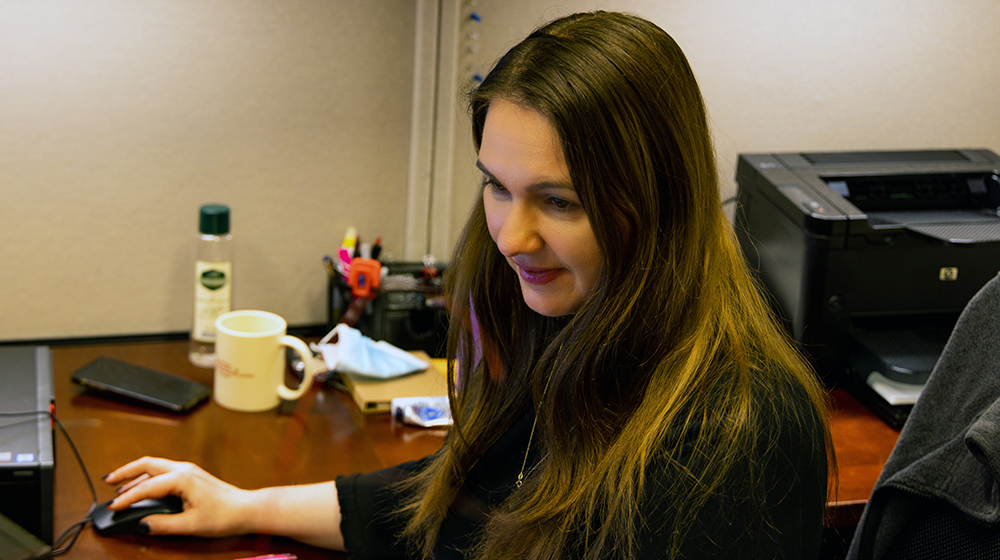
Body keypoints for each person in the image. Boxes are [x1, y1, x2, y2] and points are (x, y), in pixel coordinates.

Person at [104, 11, 833, 559]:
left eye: (559, 201)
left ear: (657, 201)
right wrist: (247, 505)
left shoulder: (737, 437)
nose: (510, 238)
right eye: (497, 187)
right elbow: (470, 494)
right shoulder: (577, 323)